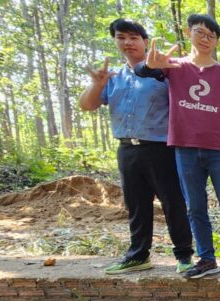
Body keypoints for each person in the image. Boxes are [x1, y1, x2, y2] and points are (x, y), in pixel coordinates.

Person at [78, 19, 194, 276]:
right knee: (137, 204)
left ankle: (184, 255)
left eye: (133, 37)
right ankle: (138, 255)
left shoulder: (164, 73)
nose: (127, 43)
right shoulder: (113, 77)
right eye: (121, 37)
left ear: (144, 41)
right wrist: (97, 84)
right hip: (127, 148)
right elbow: (86, 105)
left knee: (172, 201)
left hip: (161, 147)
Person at [136, 14, 220, 279]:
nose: (205, 39)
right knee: (195, 207)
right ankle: (207, 259)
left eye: (211, 35)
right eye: (200, 32)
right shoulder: (174, 66)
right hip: (185, 148)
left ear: (217, 41)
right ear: (189, 33)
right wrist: (148, 65)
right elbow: (144, 71)